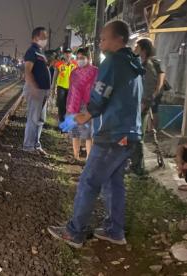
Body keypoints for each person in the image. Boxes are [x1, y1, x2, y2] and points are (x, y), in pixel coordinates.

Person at [48, 20, 144, 248]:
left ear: (118, 39)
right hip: (130, 134)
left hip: (112, 133)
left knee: (88, 182)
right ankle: (115, 230)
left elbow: (100, 96)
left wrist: (80, 117)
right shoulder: (133, 62)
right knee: (113, 182)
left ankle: (74, 232)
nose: (100, 43)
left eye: (104, 38)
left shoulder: (112, 61)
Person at [131, 38, 166, 175]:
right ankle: (135, 164)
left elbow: (149, 86)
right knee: (136, 134)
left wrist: (144, 103)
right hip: (141, 103)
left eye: (136, 46)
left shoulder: (148, 64)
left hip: (142, 104)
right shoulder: (143, 63)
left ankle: (138, 167)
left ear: (143, 49)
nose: (134, 48)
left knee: (137, 135)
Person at [22, 26, 51, 155]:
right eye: (43, 37)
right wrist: (33, 86)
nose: (45, 39)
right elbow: (27, 71)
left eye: (46, 37)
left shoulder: (40, 52)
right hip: (36, 90)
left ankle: (36, 144)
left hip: (42, 91)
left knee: (40, 119)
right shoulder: (32, 51)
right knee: (33, 119)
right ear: (35, 37)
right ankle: (28, 146)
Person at [66, 48, 98, 160]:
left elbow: (98, 89)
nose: (80, 60)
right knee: (75, 133)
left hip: (88, 106)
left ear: (88, 58)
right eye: (78, 58)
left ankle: (89, 159)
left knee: (88, 134)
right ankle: (76, 156)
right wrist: (69, 107)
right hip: (74, 106)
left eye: (82, 58)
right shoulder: (74, 72)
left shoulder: (95, 71)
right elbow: (71, 90)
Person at [55, 48, 77, 123]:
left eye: (69, 53)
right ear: (64, 54)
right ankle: (61, 121)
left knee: (69, 106)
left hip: (71, 88)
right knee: (61, 105)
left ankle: (67, 122)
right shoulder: (59, 64)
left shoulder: (75, 64)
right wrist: (53, 88)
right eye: (66, 53)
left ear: (71, 54)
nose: (68, 54)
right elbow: (55, 76)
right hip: (61, 87)